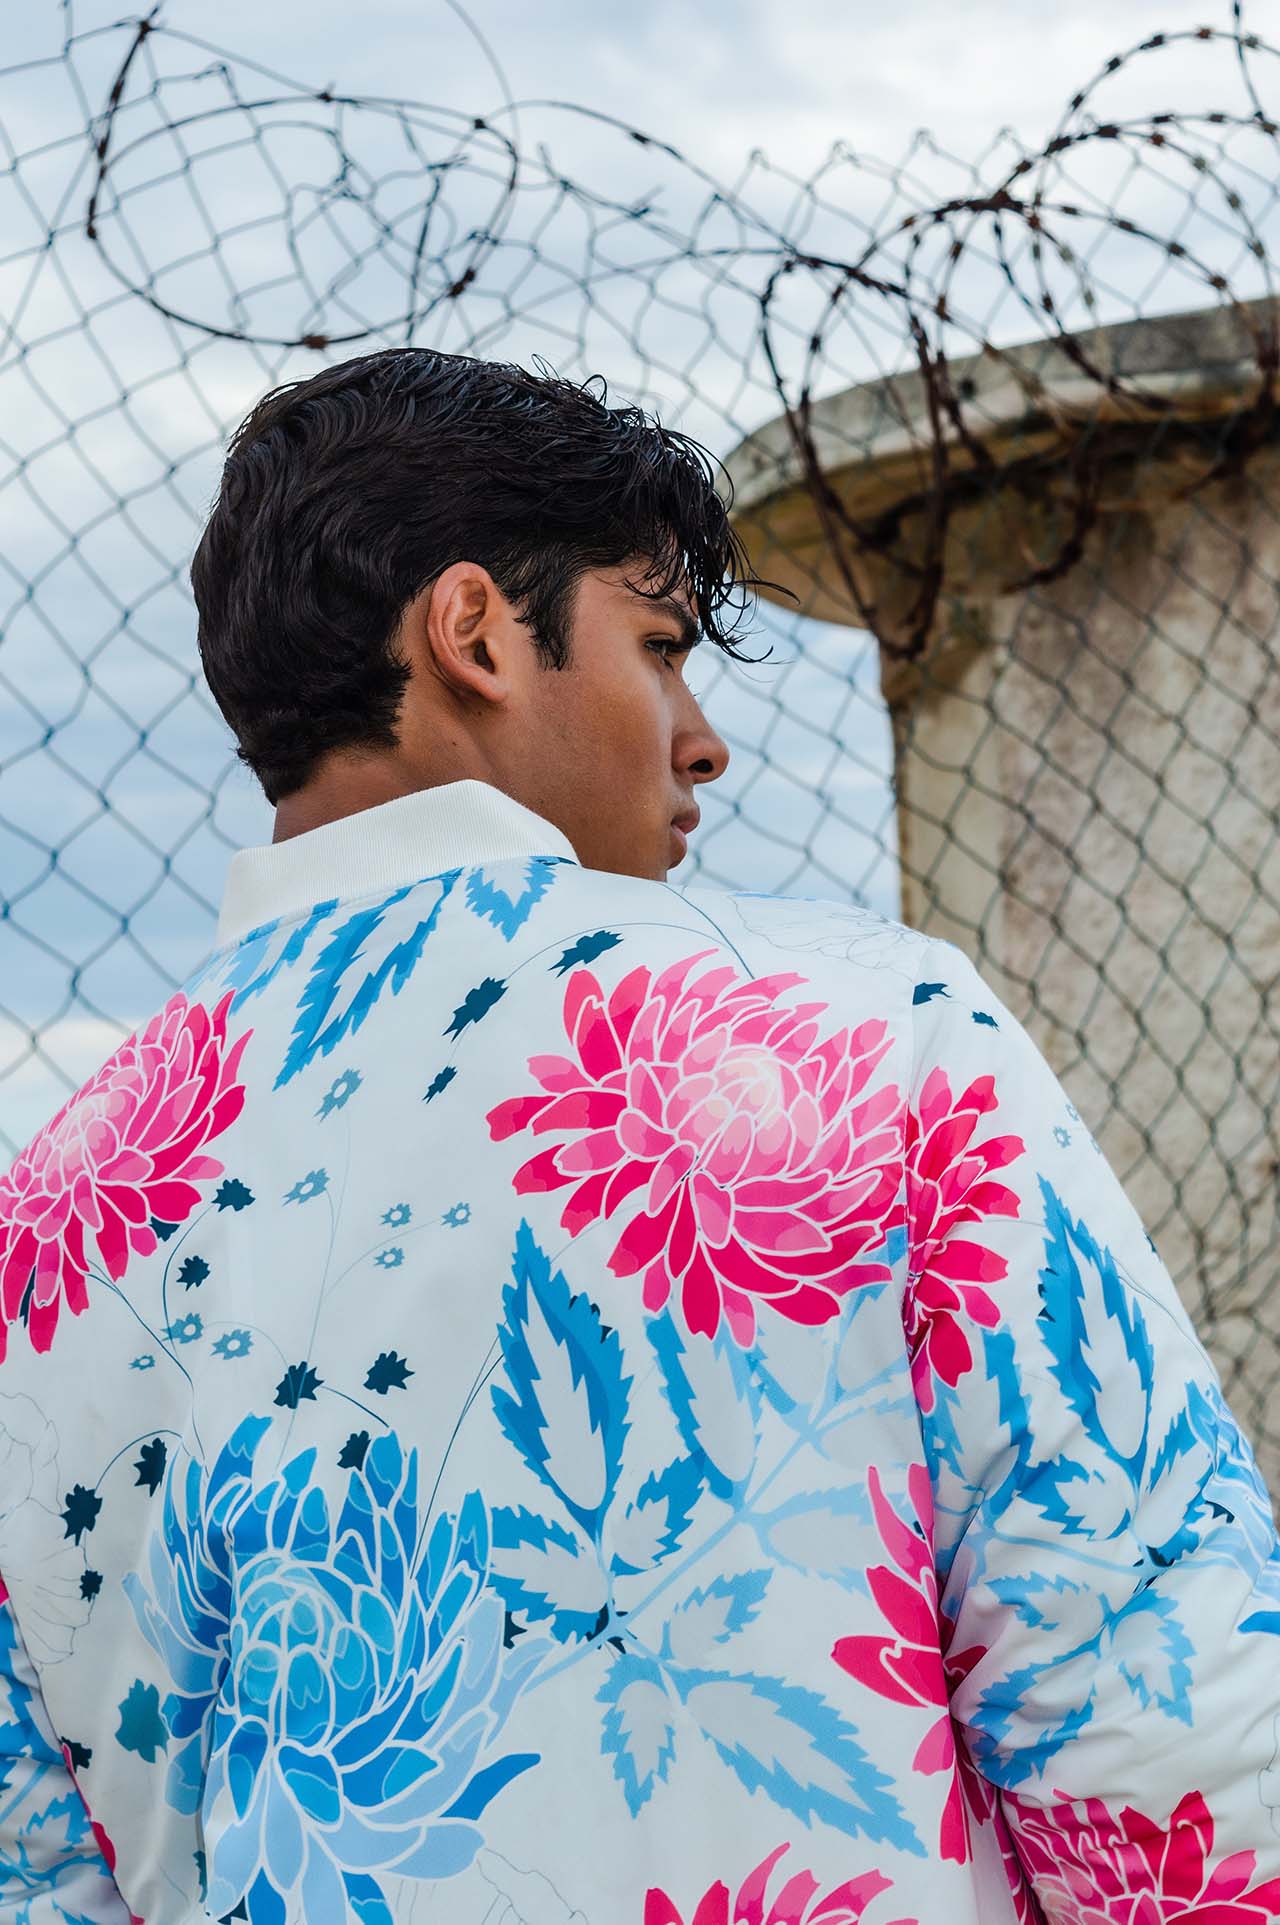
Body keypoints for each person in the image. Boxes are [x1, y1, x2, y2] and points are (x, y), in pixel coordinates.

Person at [1, 349, 1277, 1925]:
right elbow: (1163, 1725)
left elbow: (39, 1866)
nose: (700, 736)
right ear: (474, 633)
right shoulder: (875, 1038)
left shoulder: (45, 1226)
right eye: (660, 646)